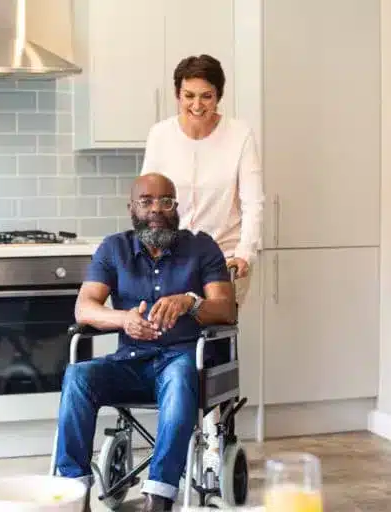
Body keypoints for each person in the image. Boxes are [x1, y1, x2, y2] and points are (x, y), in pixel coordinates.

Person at [54, 173, 236, 512]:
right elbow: (85, 307)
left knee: (181, 376)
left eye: (166, 201)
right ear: (131, 208)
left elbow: (226, 309)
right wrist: (123, 319)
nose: (157, 209)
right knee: (78, 375)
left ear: (176, 207)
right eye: (147, 201)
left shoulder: (202, 247)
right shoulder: (113, 248)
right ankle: (73, 495)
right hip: (131, 363)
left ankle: (159, 497)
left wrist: (190, 301)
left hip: (181, 361)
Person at [141, 54, 264, 472]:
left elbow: (253, 200)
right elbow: (148, 198)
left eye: (206, 96)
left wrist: (246, 251)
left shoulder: (239, 135)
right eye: (189, 95)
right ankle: (176, 430)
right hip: (172, 255)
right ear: (177, 94)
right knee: (170, 339)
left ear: (219, 97)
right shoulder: (160, 135)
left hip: (224, 256)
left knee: (210, 341)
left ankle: (213, 433)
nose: (197, 105)